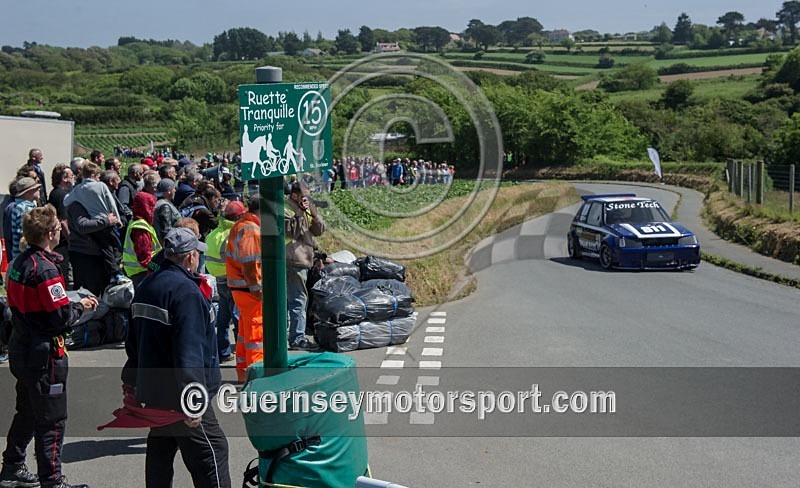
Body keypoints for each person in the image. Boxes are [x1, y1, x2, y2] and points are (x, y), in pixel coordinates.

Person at [123, 227, 231, 488]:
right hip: (180, 394)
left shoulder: (147, 285)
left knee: (160, 452)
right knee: (213, 452)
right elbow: (189, 351)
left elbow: (133, 340)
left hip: (154, 390)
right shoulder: (186, 292)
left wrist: (132, 381)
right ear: (190, 257)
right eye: (197, 254)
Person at [0, 205, 98, 488]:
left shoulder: (20, 262)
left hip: (22, 344)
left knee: (28, 410)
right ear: (49, 234)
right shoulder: (45, 269)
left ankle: (12, 466)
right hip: (43, 353)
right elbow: (60, 316)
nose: (60, 231)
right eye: (57, 227)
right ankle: (52, 480)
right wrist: (81, 306)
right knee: (52, 419)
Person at [64, 163, 123, 296]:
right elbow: (83, 225)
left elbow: (65, 201)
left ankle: (114, 273)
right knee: (110, 248)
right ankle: (116, 273)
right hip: (88, 250)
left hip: (91, 245)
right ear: (93, 175)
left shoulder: (77, 191)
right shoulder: (100, 187)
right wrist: (113, 219)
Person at [225, 195, 262, 382]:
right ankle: (258, 376)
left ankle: (244, 373)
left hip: (240, 288)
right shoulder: (251, 230)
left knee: (245, 332)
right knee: (256, 334)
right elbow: (250, 264)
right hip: (249, 290)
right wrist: (258, 291)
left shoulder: (241, 225)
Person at [204, 201, 246, 363]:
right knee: (238, 316)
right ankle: (242, 352)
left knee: (223, 318)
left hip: (219, 279)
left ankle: (223, 352)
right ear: (239, 217)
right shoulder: (235, 234)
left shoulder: (214, 233)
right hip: (233, 279)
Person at [285, 182, 325, 351]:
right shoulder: (286, 209)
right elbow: (292, 231)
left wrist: (314, 213)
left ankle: (291, 335)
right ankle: (297, 338)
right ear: (294, 195)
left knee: (295, 300)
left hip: (303, 259)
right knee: (297, 300)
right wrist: (301, 212)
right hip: (292, 259)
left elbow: (319, 230)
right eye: (304, 196)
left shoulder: (307, 208)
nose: (307, 199)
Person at [122, 192, 160, 288]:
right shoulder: (140, 228)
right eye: (151, 207)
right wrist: (159, 269)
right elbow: (144, 259)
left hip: (140, 271)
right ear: (145, 207)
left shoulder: (136, 221)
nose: (153, 210)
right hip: (141, 272)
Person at [47, 165, 75, 286]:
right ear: (64, 178)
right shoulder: (63, 195)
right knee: (67, 276)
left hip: (57, 241)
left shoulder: (54, 193)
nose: (73, 178)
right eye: (71, 175)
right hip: (63, 244)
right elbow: (63, 221)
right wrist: (71, 241)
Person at [9, 177, 41, 261]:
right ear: (28, 192)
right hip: (25, 257)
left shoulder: (20, 206)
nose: (39, 189)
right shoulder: (25, 209)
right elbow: (25, 236)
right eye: (36, 188)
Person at [153, 179, 180, 244]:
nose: (175, 190)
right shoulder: (164, 206)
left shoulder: (160, 202)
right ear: (168, 192)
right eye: (173, 188)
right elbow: (166, 231)